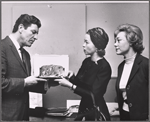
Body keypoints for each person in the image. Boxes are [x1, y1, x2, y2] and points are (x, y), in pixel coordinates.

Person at [55, 27, 112, 121]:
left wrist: (70, 85)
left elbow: (93, 95)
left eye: (87, 42)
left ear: (97, 45)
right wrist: (71, 76)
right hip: (84, 109)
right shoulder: (86, 62)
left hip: (96, 112)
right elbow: (81, 85)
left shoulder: (104, 67)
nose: (83, 45)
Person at [1, 14, 49, 121]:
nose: (36, 37)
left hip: (22, 117)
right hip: (6, 117)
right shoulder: (2, 48)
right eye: (33, 32)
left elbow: (25, 84)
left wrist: (47, 83)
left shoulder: (26, 55)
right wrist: (24, 82)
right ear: (21, 28)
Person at [114, 23, 149, 120]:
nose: (115, 44)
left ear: (130, 41)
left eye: (118, 40)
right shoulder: (121, 67)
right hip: (125, 115)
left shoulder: (146, 65)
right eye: (115, 41)